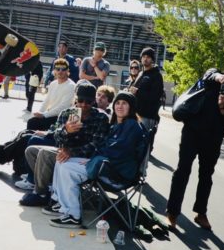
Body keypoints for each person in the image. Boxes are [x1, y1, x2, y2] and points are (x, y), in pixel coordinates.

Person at [166, 52, 224, 231]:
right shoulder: (214, 75)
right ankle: (172, 213)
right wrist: (221, 78)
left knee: (206, 175)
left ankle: (200, 213)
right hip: (192, 132)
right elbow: (209, 75)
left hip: (213, 138)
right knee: (182, 171)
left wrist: (222, 106)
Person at [47, 91, 148, 228]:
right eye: (117, 103)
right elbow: (106, 147)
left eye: (124, 103)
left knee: (66, 167)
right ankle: (61, 203)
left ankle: (73, 215)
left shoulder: (131, 125)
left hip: (117, 172)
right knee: (62, 161)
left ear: (131, 107)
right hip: (106, 164)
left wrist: (93, 158)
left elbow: (118, 150)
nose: (120, 106)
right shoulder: (118, 125)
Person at [19, 81, 108, 208]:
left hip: (83, 158)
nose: (83, 105)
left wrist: (72, 152)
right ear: (76, 99)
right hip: (65, 151)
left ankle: (40, 193)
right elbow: (56, 138)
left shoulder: (101, 118)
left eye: (88, 101)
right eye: (81, 100)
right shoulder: (66, 113)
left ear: (94, 101)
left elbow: (96, 145)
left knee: (44, 153)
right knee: (31, 150)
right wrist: (66, 130)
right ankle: (49, 186)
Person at [129, 46, 164, 172]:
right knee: (133, 145)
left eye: (148, 57)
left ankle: (141, 174)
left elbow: (155, 97)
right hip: (135, 115)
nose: (145, 59)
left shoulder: (156, 75)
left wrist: (138, 92)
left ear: (153, 60)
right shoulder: (141, 73)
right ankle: (132, 171)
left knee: (143, 147)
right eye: (143, 56)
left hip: (147, 116)